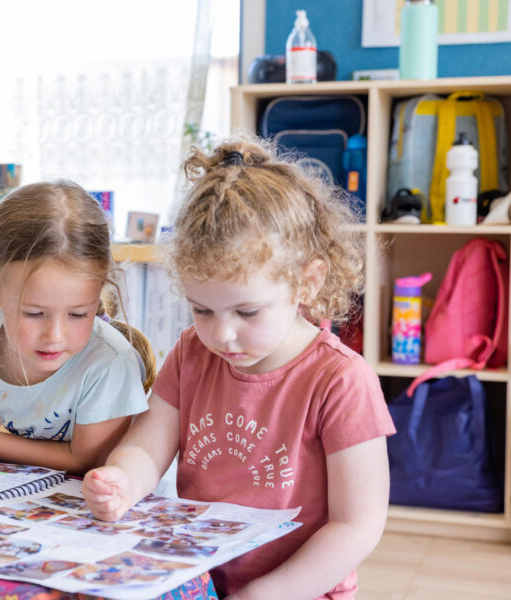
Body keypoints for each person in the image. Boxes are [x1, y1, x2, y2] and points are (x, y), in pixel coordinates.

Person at [82, 139, 395, 600]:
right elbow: (148, 449)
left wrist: (265, 594)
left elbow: (357, 526)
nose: (222, 335)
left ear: (308, 282)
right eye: (202, 310)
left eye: (247, 313)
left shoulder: (341, 380)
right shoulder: (192, 352)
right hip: (196, 578)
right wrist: (122, 481)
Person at [0, 180, 154, 474]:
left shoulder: (110, 363)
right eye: (34, 313)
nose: (54, 336)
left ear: (98, 294)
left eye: (77, 315)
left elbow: (84, 460)